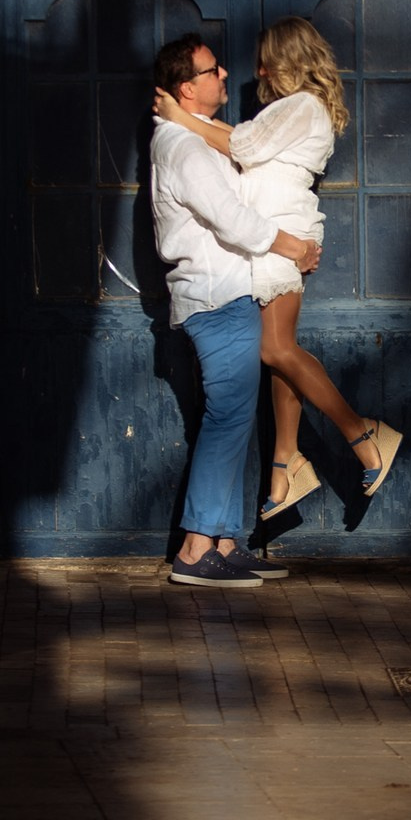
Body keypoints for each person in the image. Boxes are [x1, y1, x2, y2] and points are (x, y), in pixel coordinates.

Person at [154, 13, 403, 523]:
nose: (258, 73)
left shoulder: (302, 105)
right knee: (278, 350)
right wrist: (189, 122)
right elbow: (241, 138)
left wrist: (180, 118)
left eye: (265, 63)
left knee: (274, 348)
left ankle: (362, 432)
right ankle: (285, 464)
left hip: (280, 236)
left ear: (286, 61)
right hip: (274, 236)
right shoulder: (293, 109)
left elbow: (241, 146)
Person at [151, 33, 322, 588]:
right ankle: (196, 548)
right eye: (212, 70)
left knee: (233, 420)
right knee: (226, 419)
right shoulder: (182, 147)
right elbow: (233, 220)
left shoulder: (194, 138)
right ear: (186, 88)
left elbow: (243, 151)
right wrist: (294, 247)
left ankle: (224, 542)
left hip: (229, 295)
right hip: (215, 297)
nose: (225, 74)